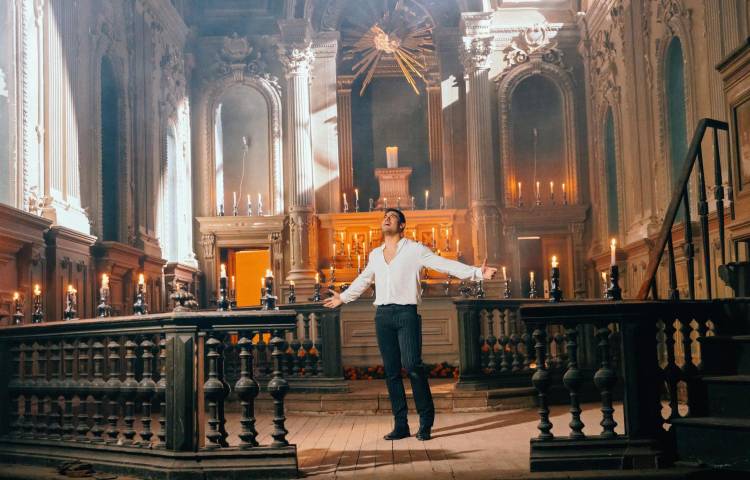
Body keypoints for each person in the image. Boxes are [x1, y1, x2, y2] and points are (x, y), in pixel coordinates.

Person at [324, 208, 497, 441]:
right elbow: (364, 279)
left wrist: (477, 272)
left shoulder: (415, 250)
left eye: (392, 217)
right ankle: (401, 425)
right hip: (383, 316)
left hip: (406, 314)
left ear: (402, 225)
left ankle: (425, 423)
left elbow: (444, 264)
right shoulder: (375, 254)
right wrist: (342, 298)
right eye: (384, 216)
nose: (386, 219)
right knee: (392, 372)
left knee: (413, 366)